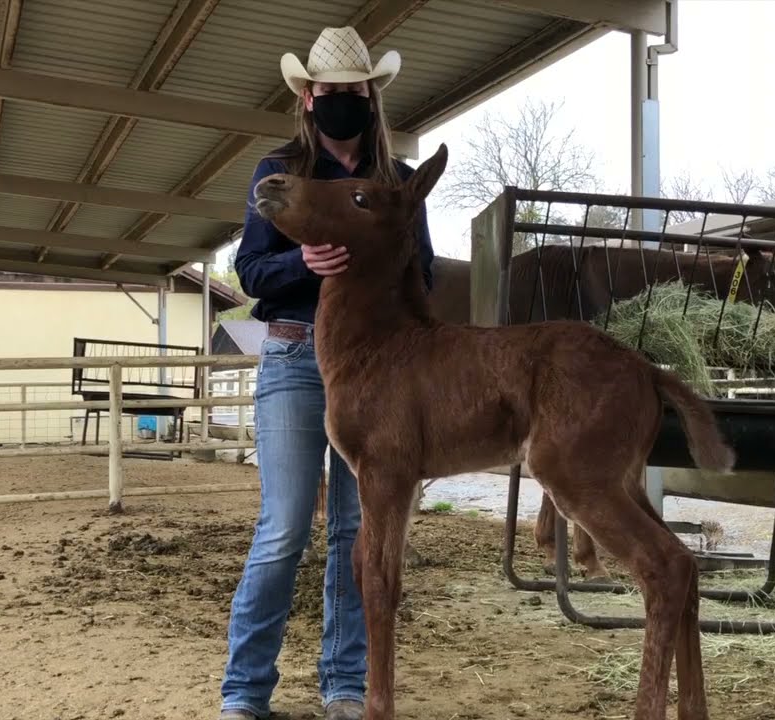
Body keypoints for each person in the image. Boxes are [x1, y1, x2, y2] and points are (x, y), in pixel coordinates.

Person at [218, 27, 435, 720]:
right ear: (308, 97)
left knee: (356, 530)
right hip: (292, 351)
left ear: (371, 95)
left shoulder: (395, 179)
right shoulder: (279, 173)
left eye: (354, 90)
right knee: (283, 526)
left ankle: (344, 686)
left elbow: (420, 270)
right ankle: (245, 692)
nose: (342, 100)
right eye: (330, 91)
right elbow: (249, 272)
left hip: (376, 368)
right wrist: (300, 265)